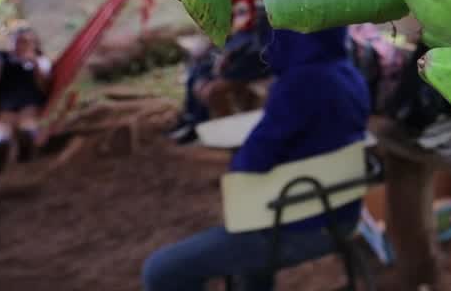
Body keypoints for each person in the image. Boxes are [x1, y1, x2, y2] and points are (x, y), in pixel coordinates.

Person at [143, 26, 371, 291]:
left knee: (161, 270)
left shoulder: (298, 85)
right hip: (341, 216)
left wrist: (245, 152)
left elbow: (249, 165)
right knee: (249, 264)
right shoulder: (350, 74)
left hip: (295, 225)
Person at [167, 0, 270, 143]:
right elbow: (227, 23)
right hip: (236, 41)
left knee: (210, 81)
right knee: (195, 73)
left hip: (248, 47)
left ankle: (199, 123)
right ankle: (191, 119)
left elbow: (258, 36)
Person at [0, 25, 51, 174]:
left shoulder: (41, 61)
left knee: (27, 119)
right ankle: (1, 145)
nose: (24, 45)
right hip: (6, 99)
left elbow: (44, 88)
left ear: (35, 44)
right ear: (13, 42)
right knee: (4, 123)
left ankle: (25, 141)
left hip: (31, 99)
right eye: (21, 41)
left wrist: (35, 65)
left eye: (29, 42)